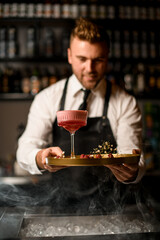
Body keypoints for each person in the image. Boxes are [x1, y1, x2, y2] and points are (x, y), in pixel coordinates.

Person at [16, 18, 145, 213]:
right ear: (69, 56)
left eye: (98, 60)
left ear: (107, 57)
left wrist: (132, 170)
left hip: (110, 209)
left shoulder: (125, 102)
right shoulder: (48, 99)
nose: (90, 69)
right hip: (60, 207)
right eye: (82, 59)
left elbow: (133, 152)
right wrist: (41, 157)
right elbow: (25, 149)